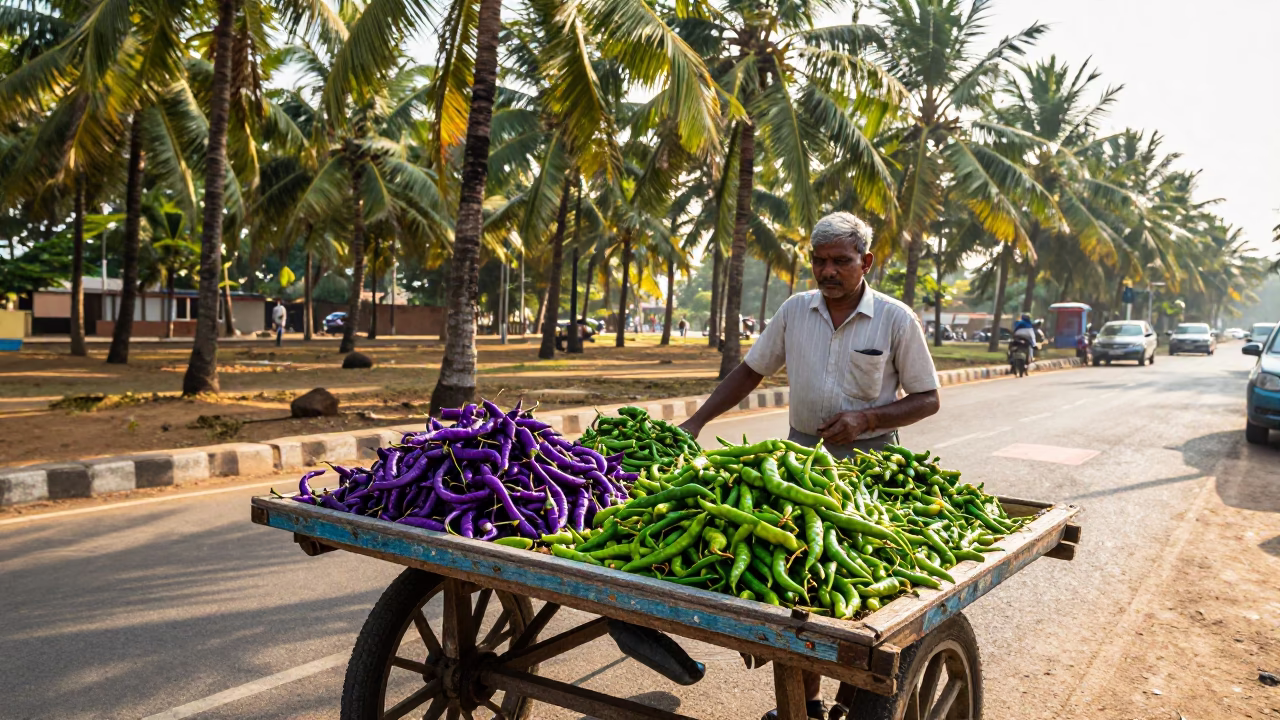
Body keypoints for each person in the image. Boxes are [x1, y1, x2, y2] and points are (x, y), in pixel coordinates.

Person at [679, 211, 941, 720]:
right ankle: (810, 704)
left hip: (871, 468)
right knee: (806, 589)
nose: (828, 272)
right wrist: (696, 421)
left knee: (858, 592)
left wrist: (866, 418)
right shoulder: (796, 311)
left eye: (841, 261)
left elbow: (927, 398)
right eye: (819, 261)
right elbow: (751, 370)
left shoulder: (894, 318)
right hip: (800, 463)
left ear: (865, 262)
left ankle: (853, 699)